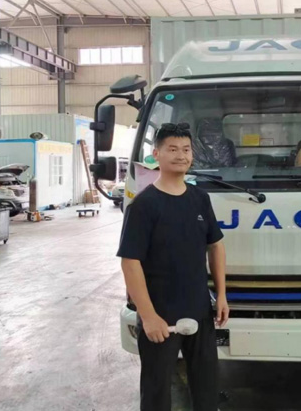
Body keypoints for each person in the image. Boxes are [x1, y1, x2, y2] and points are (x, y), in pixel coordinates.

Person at [117, 122, 229, 411]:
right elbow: (130, 262)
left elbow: (216, 245)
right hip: (160, 315)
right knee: (156, 390)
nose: (181, 155)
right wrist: (148, 316)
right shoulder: (144, 205)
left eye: (186, 149)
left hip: (200, 311)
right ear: (156, 154)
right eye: (173, 149)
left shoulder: (199, 199)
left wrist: (221, 296)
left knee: (206, 385)